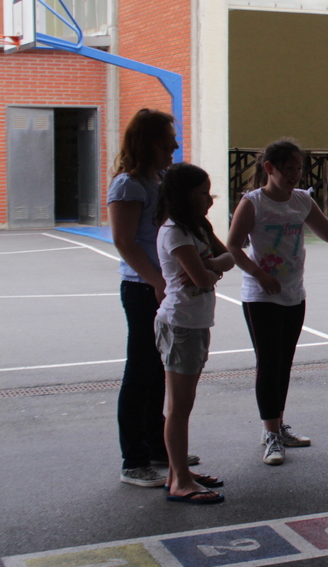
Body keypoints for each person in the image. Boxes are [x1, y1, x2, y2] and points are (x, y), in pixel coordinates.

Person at [227, 139, 328, 465]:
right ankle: (270, 434)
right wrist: (260, 275)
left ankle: (278, 424)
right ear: (269, 168)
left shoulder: (302, 200)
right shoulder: (253, 203)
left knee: (284, 363)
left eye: (299, 168)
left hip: (293, 294)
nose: (295, 175)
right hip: (261, 297)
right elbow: (232, 247)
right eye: (288, 168)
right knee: (268, 363)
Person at [109, 109, 187, 488]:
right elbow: (124, 242)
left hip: (163, 286)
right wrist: (156, 281)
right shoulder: (129, 185)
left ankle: (158, 446)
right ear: (149, 143)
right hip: (143, 288)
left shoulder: (160, 180)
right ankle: (134, 461)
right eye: (167, 139)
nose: (175, 144)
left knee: (159, 370)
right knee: (140, 371)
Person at [154, 163, 234, 504]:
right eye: (203, 194)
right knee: (179, 406)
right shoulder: (174, 232)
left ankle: (178, 472)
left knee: (183, 404)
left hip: (197, 323)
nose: (209, 200)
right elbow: (200, 279)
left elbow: (228, 257)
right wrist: (209, 270)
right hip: (180, 325)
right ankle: (180, 482)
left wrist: (211, 266)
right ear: (185, 196)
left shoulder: (198, 227)